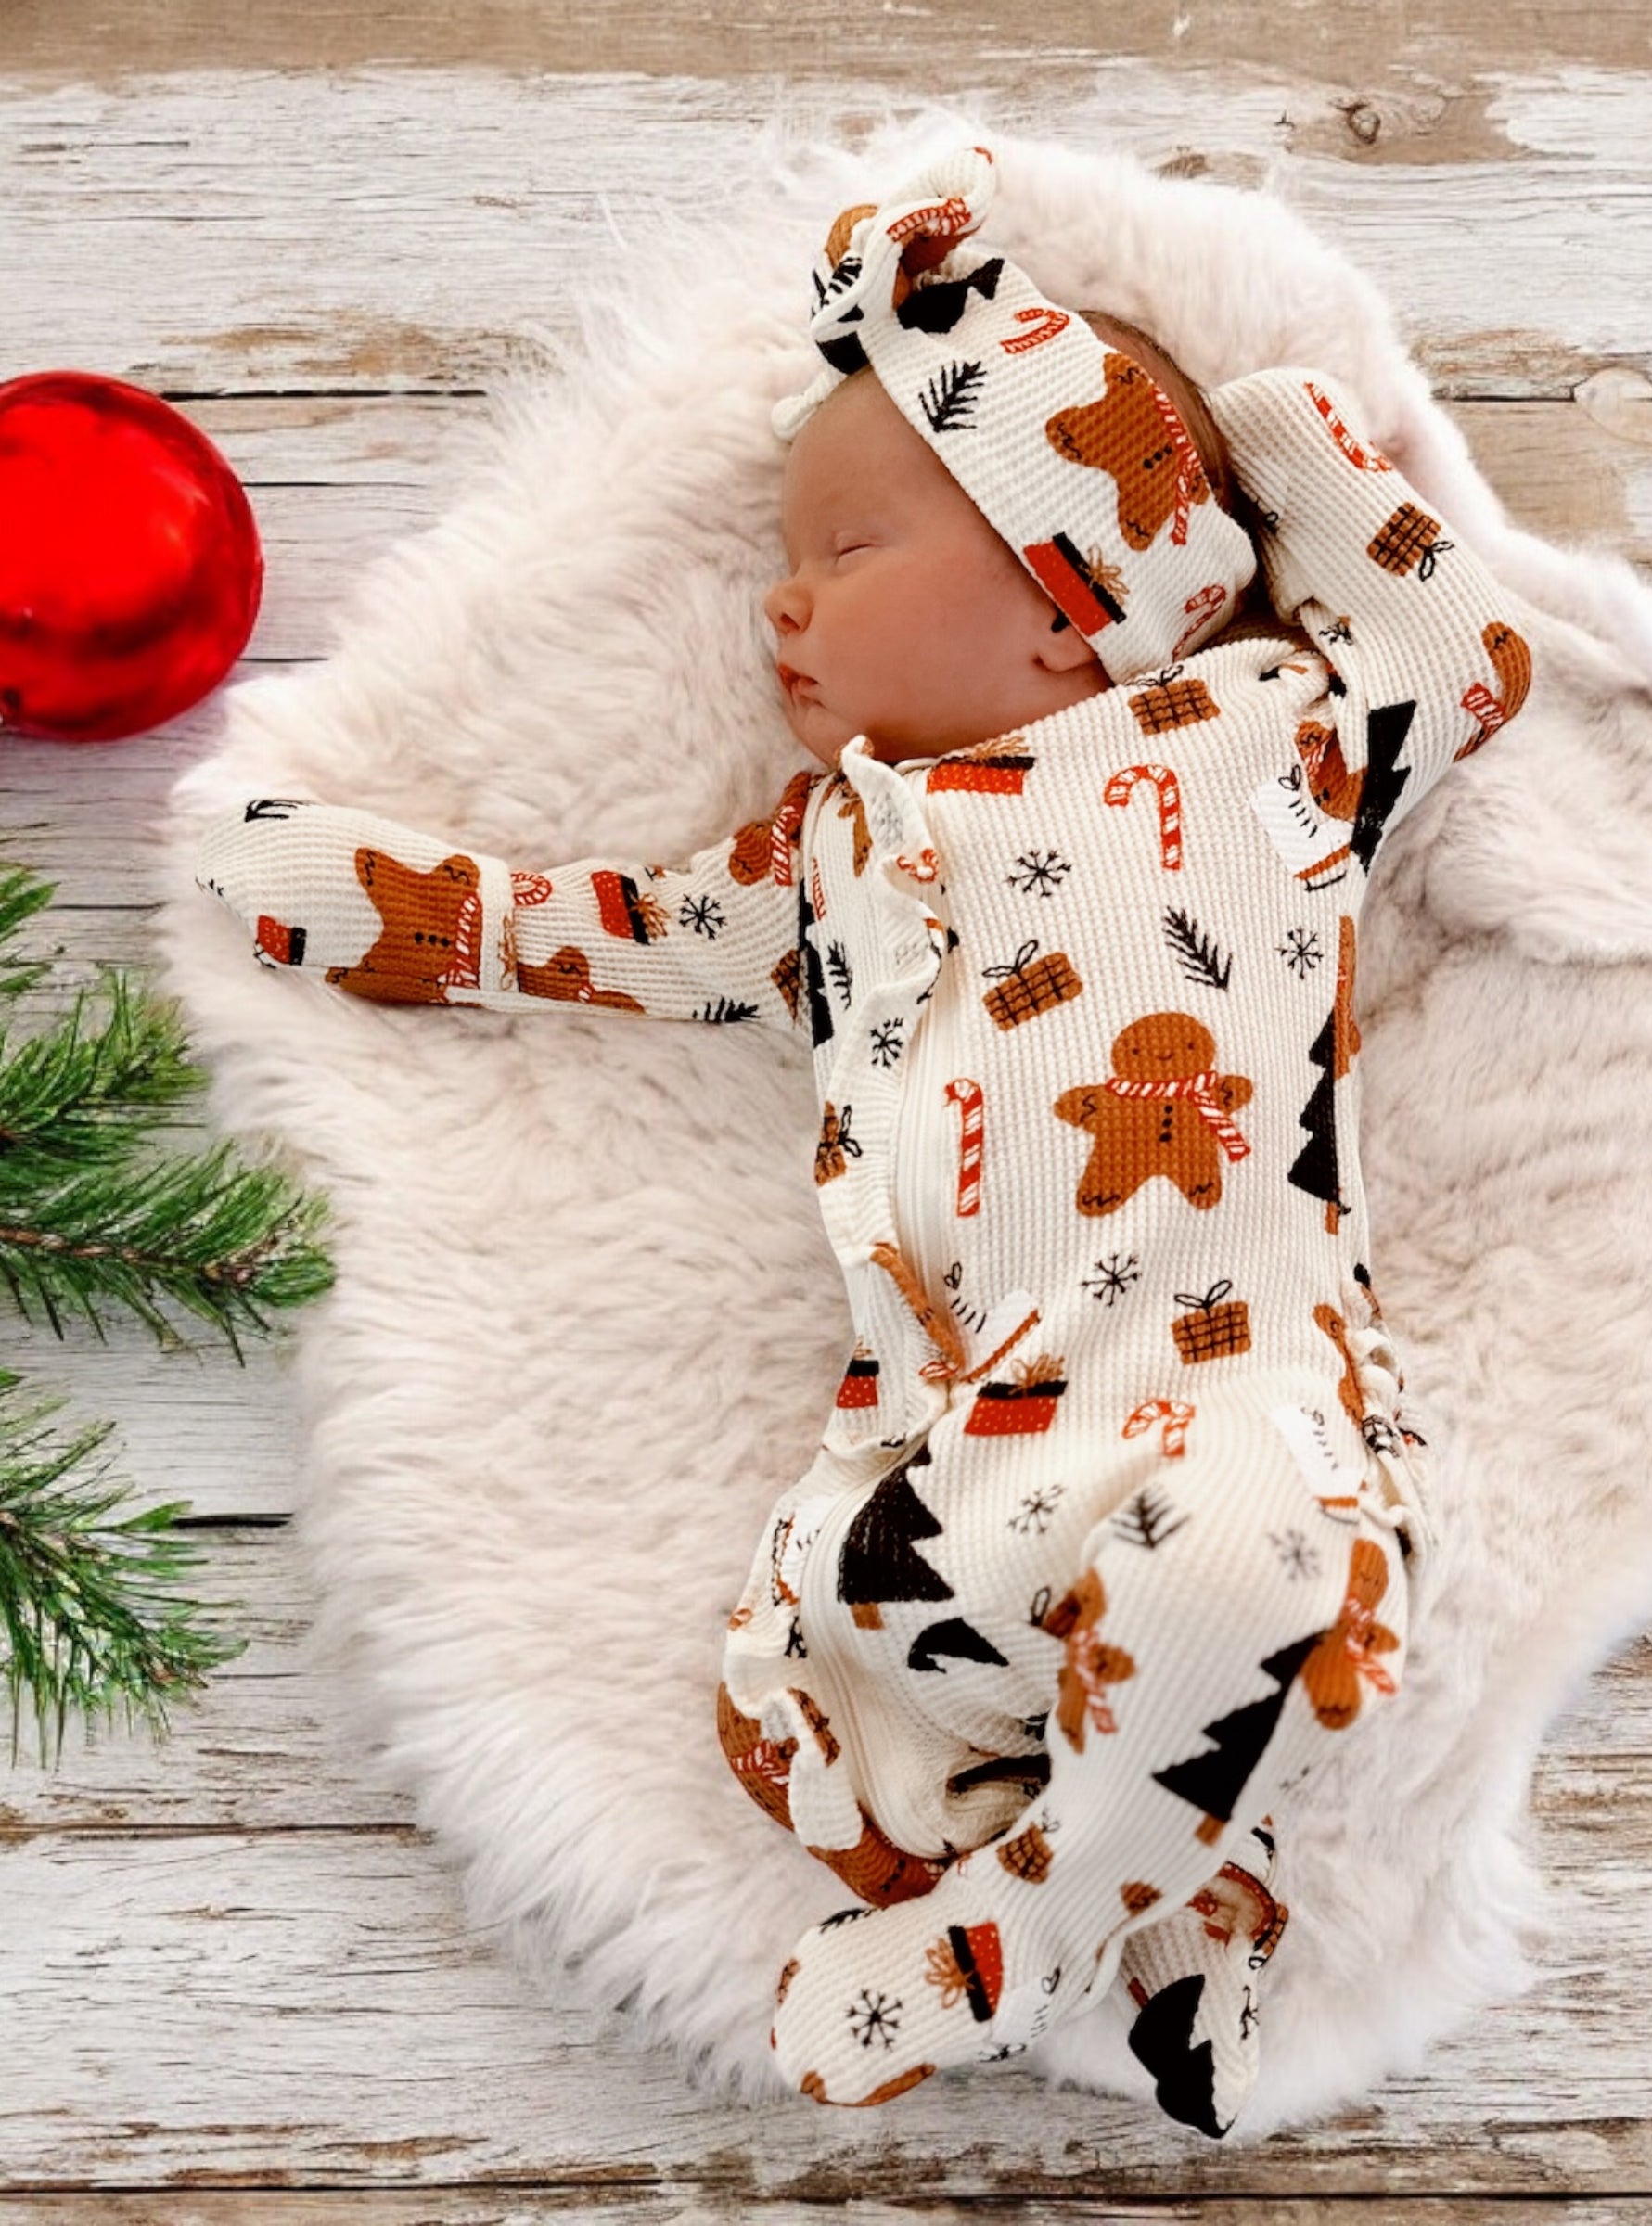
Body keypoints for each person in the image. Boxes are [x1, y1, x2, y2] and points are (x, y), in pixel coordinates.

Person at [193, 144, 1531, 2130]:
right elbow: (640, 942)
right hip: (948, 1439)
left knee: (1250, 1567)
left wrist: (1298, 453)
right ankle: (1133, 1878)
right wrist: (427, 911)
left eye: (843, 551)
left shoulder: (1256, 740)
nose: (780, 604)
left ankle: (1048, 1909)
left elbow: (1455, 660)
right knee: (816, 1701)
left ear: (1074, 593)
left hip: (1217, 1372)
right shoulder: (847, 855)